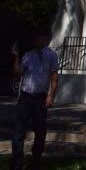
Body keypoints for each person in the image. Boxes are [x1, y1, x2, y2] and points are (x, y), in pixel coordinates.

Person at [11, 31, 59, 170]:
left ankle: (35, 161)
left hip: (40, 98)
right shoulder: (28, 56)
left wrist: (51, 94)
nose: (36, 39)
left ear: (44, 38)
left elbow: (54, 77)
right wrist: (16, 57)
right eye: (35, 37)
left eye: (39, 36)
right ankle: (17, 163)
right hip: (25, 97)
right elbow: (18, 73)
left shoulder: (51, 55)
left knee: (40, 130)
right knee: (19, 131)